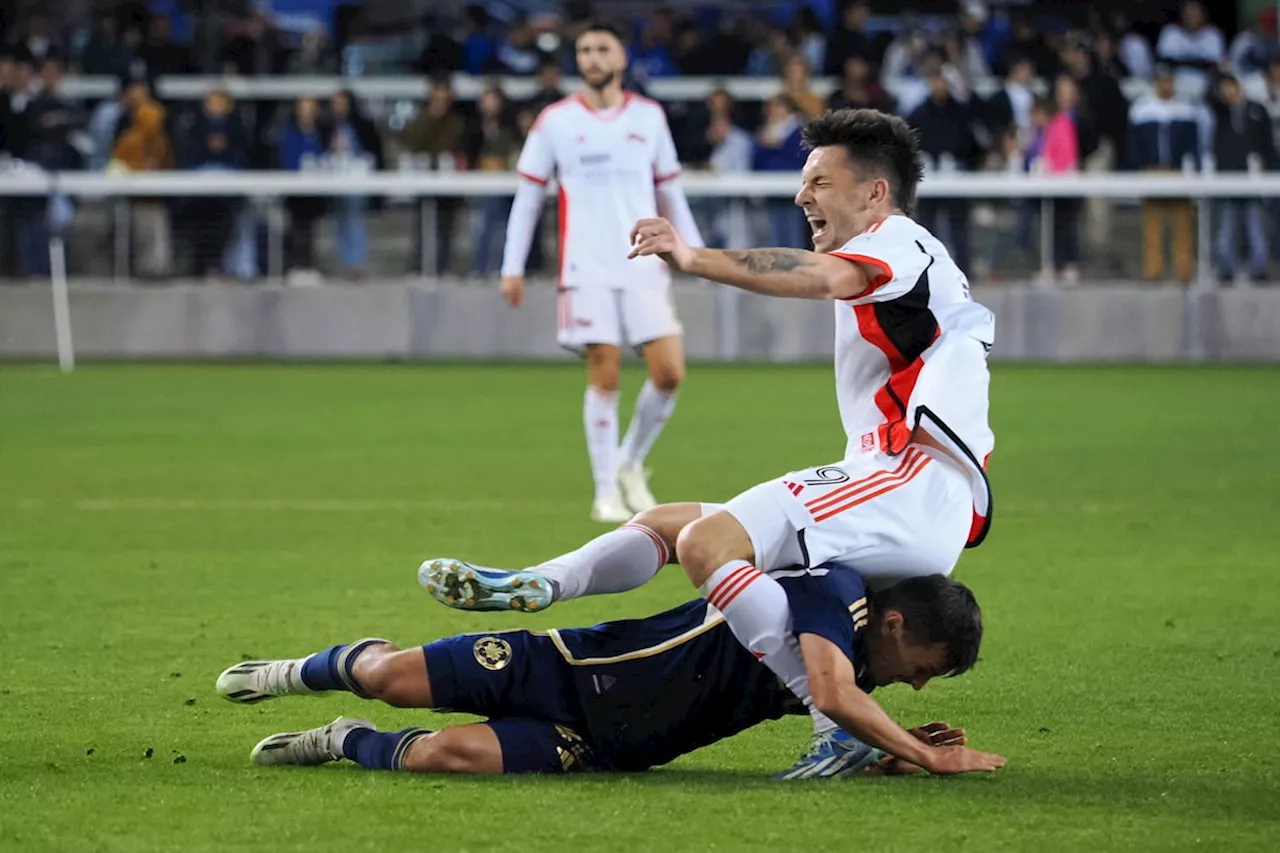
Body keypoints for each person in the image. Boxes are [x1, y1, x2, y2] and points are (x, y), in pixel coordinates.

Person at [426, 108, 996, 765]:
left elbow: (818, 277)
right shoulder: (918, 256)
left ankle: (835, 724)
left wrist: (692, 255)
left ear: (874, 192)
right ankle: (539, 582)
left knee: (705, 543)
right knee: (670, 523)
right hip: (910, 493)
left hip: (907, 483)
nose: (800, 195)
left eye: (818, 181)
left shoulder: (897, 242)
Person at [218, 568, 1004, 778]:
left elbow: (838, 714)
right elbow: (832, 692)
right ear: (897, 623)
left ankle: (340, 739)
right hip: (561, 664)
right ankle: (297, 671)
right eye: (924, 669)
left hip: (603, 745)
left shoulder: (854, 676)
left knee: (434, 754)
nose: (917, 686)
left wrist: (892, 748)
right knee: (389, 674)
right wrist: (919, 747)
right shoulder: (830, 595)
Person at [499, 23, 704, 523]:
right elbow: (528, 196)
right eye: (584, 50)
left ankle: (630, 464)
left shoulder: (649, 117)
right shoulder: (555, 121)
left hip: (643, 262)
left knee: (669, 373)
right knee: (605, 374)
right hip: (584, 265)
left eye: (602, 49)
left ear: (622, 56)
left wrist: (694, 250)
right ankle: (604, 490)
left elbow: (669, 188)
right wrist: (512, 265)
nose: (592, 57)